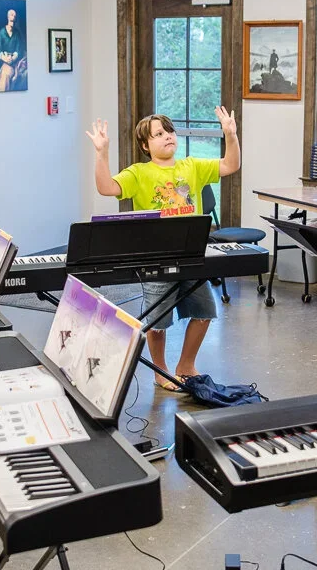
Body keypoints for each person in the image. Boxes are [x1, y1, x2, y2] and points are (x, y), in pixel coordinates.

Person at [86, 107, 240, 390]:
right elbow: (106, 187)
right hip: (156, 258)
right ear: (145, 145)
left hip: (190, 256)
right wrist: (102, 153)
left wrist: (231, 135)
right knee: (158, 322)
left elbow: (230, 165)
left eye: (169, 131)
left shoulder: (191, 166)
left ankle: (186, 364)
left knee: (205, 311)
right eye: (158, 134)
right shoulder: (139, 173)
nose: (167, 136)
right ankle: (160, 371)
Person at [0, 8, 25, 92]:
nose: (14, 17)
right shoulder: (2, 32)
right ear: (8, 17)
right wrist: (4, 58)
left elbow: (18, 50)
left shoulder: (17, 33)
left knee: (7, 73)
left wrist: (13, 58)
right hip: (2, 60)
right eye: (12, 15)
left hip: (13, 61)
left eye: (15, 16)